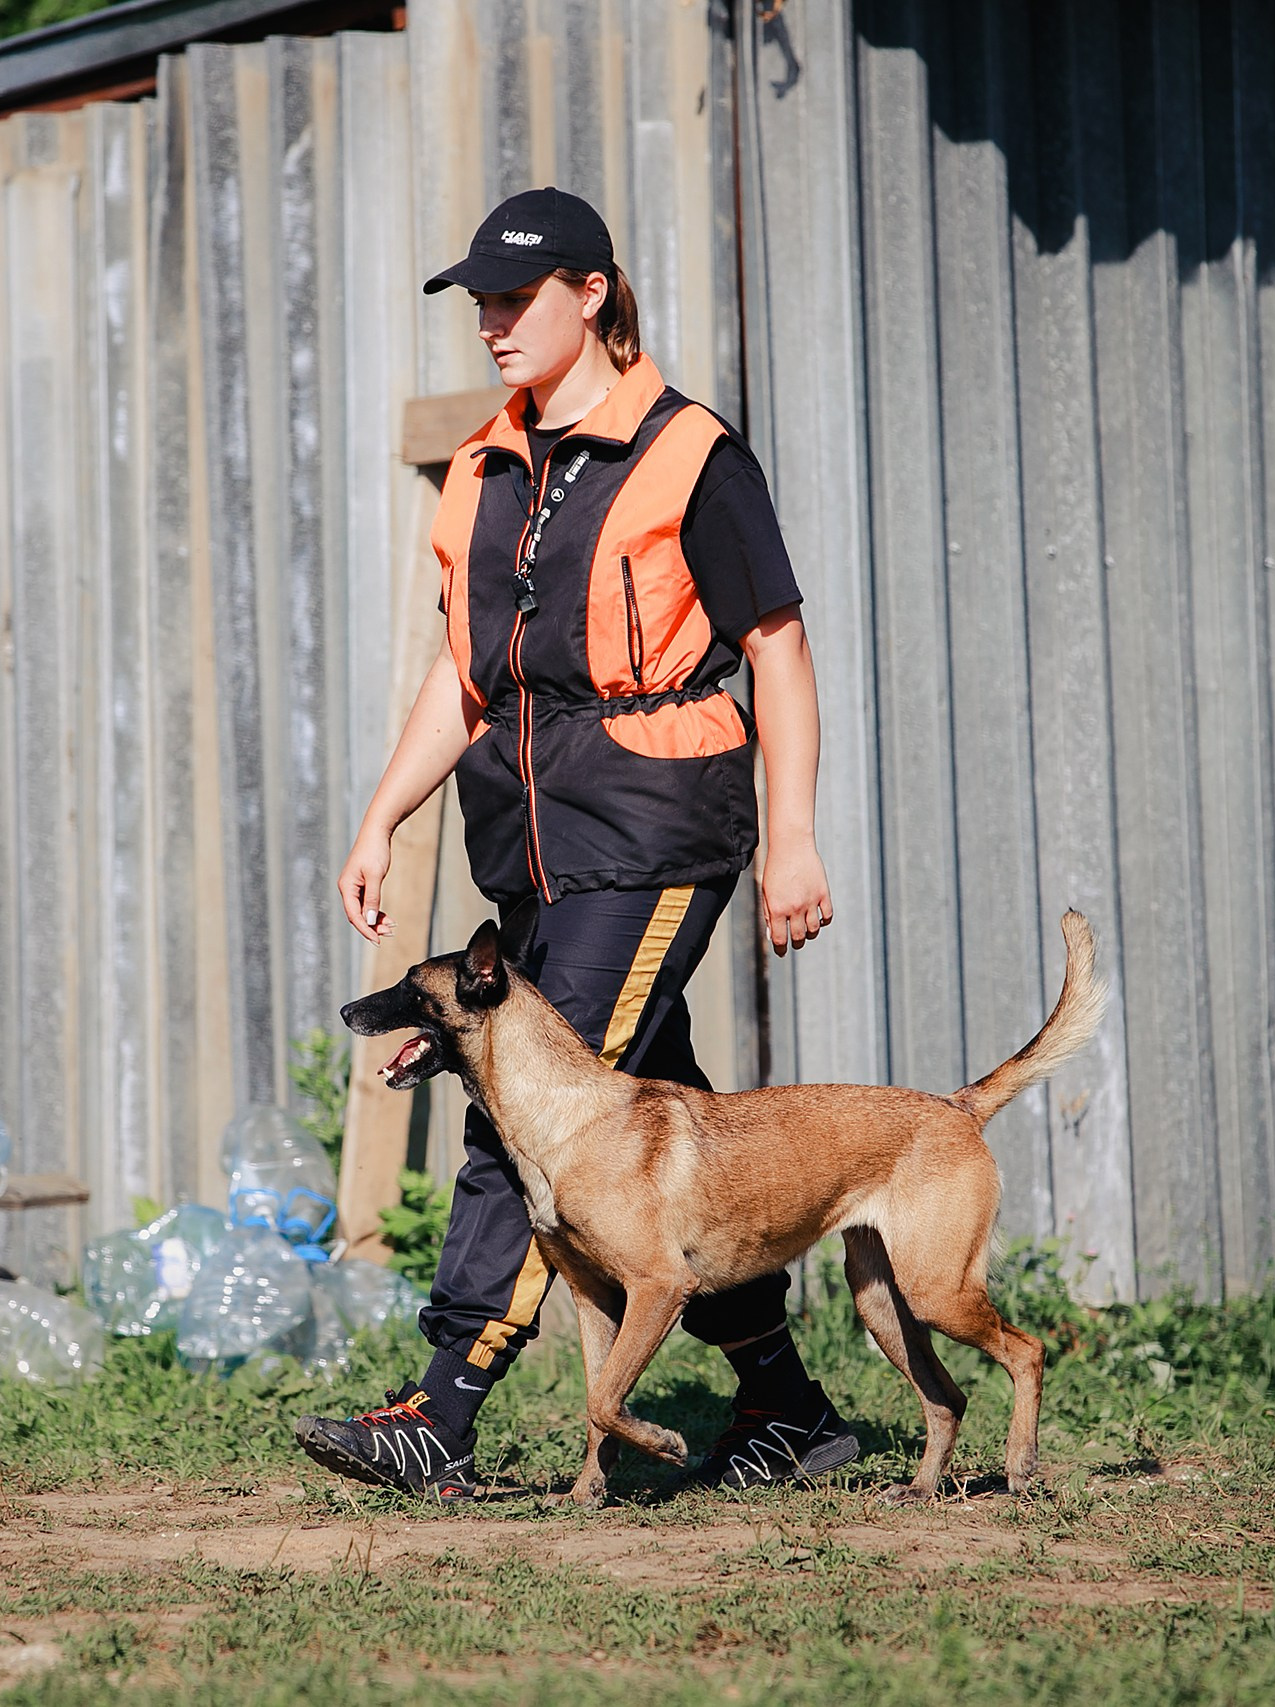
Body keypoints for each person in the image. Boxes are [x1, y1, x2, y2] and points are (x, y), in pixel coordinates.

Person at [293, 188, 848, 1501]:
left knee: (524, 1107)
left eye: (514, 298)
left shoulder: (689, 455)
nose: (490, 323)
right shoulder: (487, 470)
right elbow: (462, 676)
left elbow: (778, 648)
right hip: (531, 856)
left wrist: (796, 836)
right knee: (649, 1121)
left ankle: (445, 1406)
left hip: (657, 832)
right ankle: (787, 1406)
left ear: (592, 295)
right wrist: (384, 814)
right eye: (477, 301)